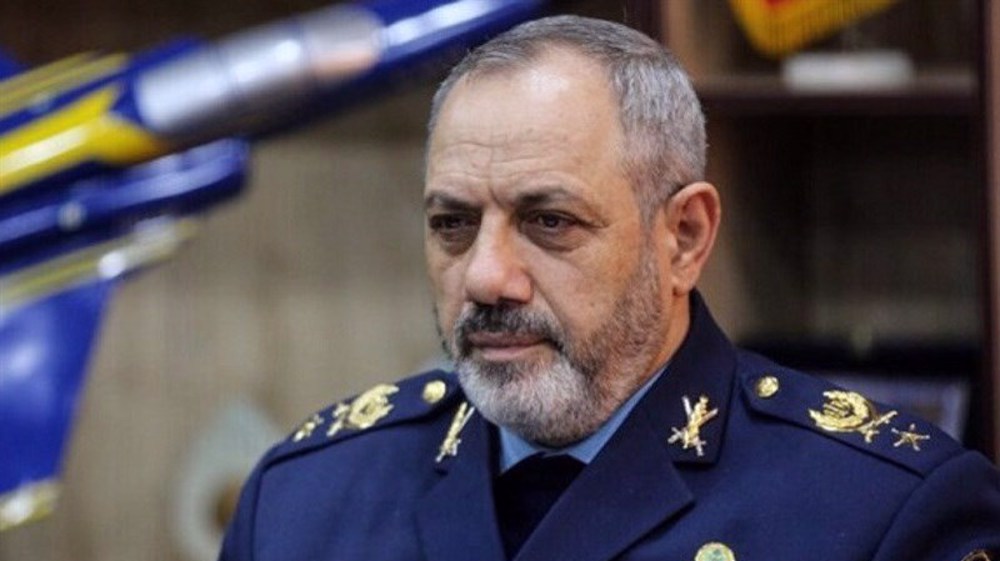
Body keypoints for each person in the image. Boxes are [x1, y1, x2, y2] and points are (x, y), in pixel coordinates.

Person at [219, 15, 1000, 561]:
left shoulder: (879, 513)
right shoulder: (303, 501)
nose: (487, 275)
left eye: (549, 221)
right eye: (453, 224)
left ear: (684, 237)